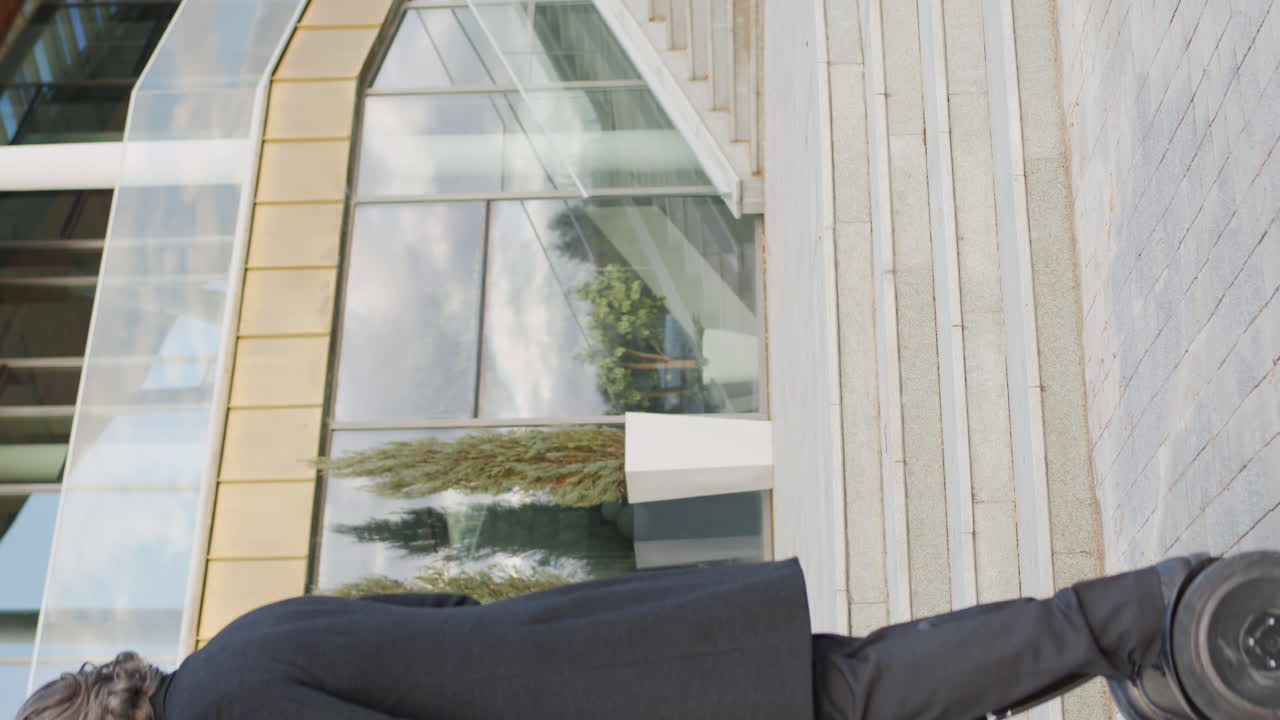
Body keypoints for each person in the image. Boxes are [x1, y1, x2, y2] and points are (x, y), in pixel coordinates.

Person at [15, 551, 1280, 720]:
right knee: (864, 685)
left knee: (865, 694)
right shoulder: (234, 640)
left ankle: (1148, 617)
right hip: (605, 659)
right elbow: (436, 613)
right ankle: (1147, 640)